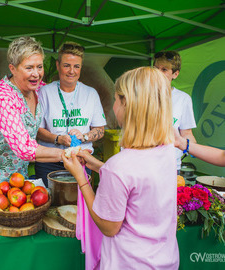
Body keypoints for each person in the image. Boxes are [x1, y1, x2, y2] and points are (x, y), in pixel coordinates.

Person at [62, 67, 179, 269]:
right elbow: (139, 179)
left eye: (116, 99)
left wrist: (80, 177)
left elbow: (108, 227)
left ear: (127, 105)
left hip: (128, 263)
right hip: (165, 260)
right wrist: (99, 166)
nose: (113, 105)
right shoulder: (168, 150)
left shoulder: (119, 167)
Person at [0, 36, 63, 191]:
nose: (36, 74)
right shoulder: (4, 98)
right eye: (29, 68)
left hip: (15, 172)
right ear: (12, 68)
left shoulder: (39, 88)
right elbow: (24, 148)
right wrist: (65, 154)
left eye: (39, 67)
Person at [35, 41, 106, 185]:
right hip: (49, 162)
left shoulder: (91, 94)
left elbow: (100, 130)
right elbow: (37, 130)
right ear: (57, 65)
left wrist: (84, 136)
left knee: (79, 204)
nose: (71, 71)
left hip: (81, 160)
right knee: (48, 203)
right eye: (66, 65)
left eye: (76, 66)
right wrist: (58, 139)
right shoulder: (44, 92)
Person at [153, 50, 196, 172]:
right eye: (156, 68)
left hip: (170, 165)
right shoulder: (141, 93)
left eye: (164, 69)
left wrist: (194, 149)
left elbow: (186, 133)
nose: (158, 73)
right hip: (142, 163)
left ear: (175, 74)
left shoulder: (183, 99)